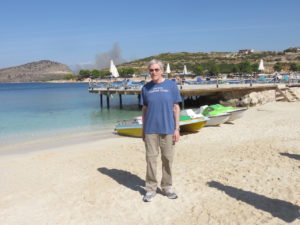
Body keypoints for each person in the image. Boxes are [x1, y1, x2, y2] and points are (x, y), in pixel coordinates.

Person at [140, 59, 182, 202]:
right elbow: (144, 110)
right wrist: (143, 129)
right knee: (151, 160)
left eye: (156, 69)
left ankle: (167, 187)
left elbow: (176, 108)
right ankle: (151, 189)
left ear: (162, 70)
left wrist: (177, 128)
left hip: (168, 129)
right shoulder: (145, 88)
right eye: (151, 70)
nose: (154, 72)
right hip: (150, 130)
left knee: (167, 159)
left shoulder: (171, 85)